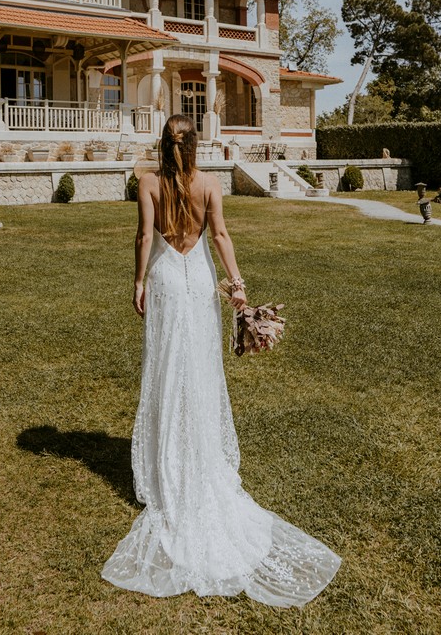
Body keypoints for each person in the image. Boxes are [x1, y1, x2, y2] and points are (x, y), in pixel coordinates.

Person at [102, 115, 341, 606]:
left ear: (163, 144)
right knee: (200, 368)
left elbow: (145, 238)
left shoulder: (146, 182)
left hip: (168, 277)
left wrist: (139, 281)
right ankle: (200, 453)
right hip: (197, 281)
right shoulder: (210, 184)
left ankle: (173, 457)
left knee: (168, 368)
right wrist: (237, 285)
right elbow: (221, 237)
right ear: (196, 144)